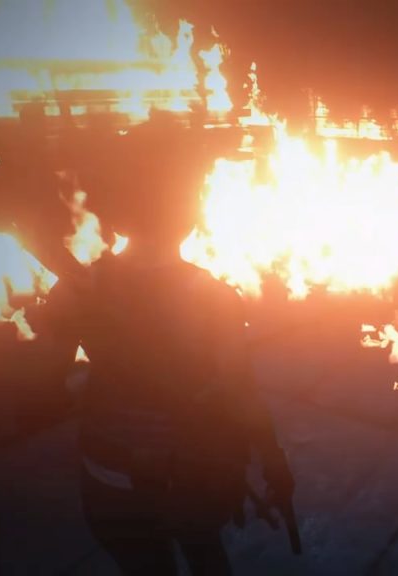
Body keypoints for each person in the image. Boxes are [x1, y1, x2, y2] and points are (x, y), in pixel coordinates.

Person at [30, 120, 294, 575]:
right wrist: (275, 465)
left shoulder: (75, 290)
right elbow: (241, 395)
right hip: (194, 477)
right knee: (206, 557)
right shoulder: (213, 298)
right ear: (190, 212)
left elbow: (43, 391)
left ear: (114, 213)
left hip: (110, 482)